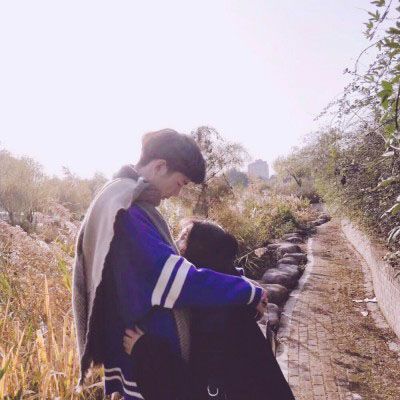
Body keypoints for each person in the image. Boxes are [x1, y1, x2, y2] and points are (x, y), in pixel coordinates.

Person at [72, 129, 268, 400]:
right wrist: (247, 291)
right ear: (160, 166)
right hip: (148, 362)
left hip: (148, 354)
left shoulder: (123, 200)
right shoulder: (128, 213)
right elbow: (177, 280)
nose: (177, 193)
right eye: (180, 182)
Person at [123, 219, 296, 400]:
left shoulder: (216, 318)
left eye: (183, 237)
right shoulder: (230, 303)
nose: (175, 243)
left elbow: (195, 388)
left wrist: (144, 351)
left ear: (200, 251)